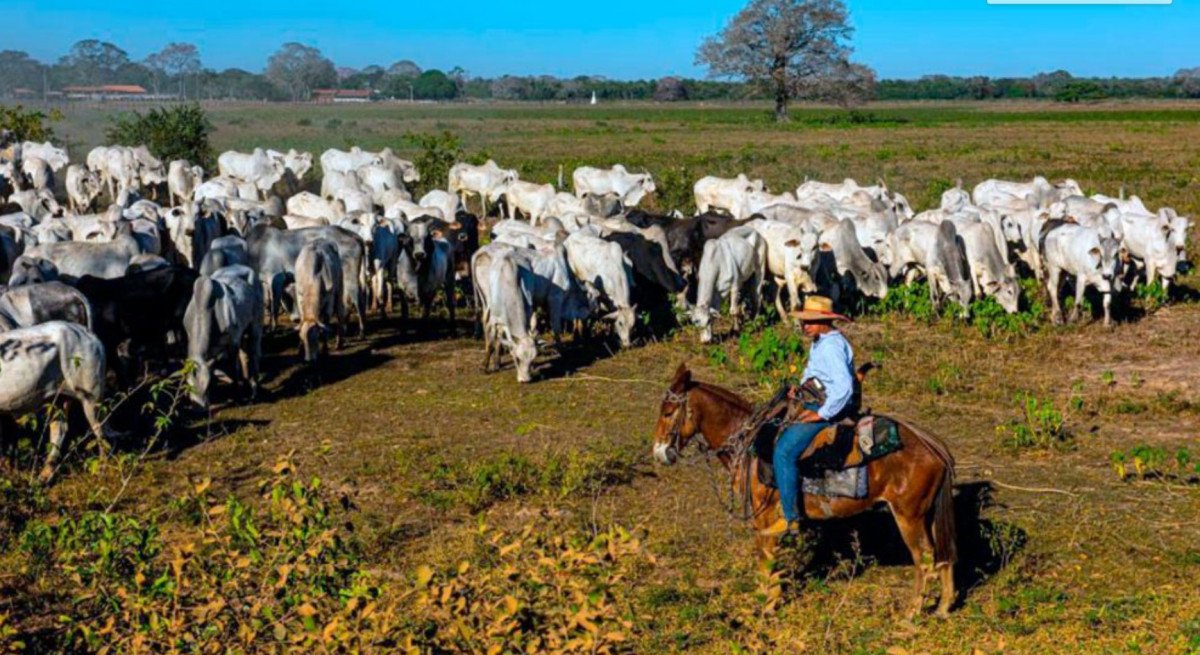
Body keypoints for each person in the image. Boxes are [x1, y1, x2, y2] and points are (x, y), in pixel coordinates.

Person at [761, 295, 857, 537]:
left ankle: (791, 518)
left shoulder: (832, 347)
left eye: (810, 321)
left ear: (825, 322)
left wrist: (821, 415)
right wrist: (801, 387)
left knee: (784, 451)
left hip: (827, 407)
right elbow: (814, 372)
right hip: (813, 400)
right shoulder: (820, 342)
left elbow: (844, 387)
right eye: (804, 321)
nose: (805, 326)